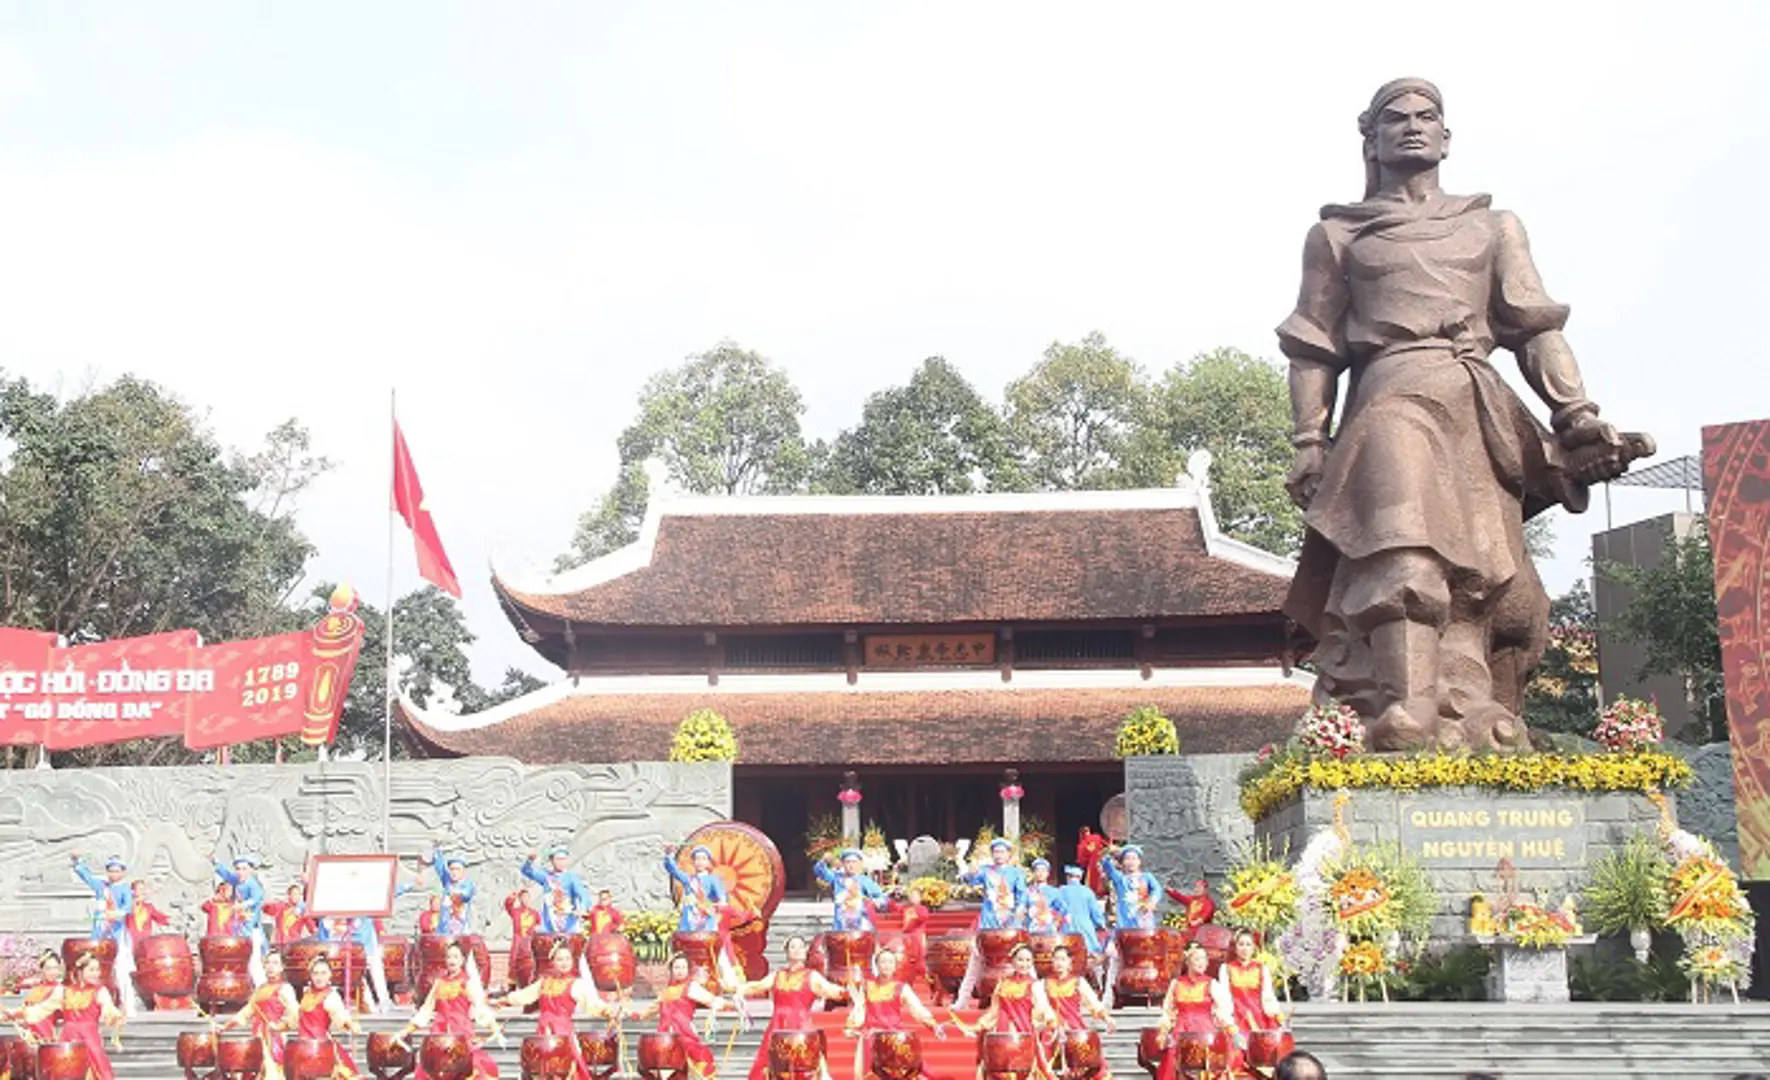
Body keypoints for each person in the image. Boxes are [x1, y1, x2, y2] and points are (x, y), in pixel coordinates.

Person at [1278, 78, 1645, 753]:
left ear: (1446, 136)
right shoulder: (1338, 235)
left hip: (1476, 408)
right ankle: (1405, 707)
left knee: (1483, 580)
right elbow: (1313, 346)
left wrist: (1575, 414)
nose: (1414, 127)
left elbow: (1533, 328)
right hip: (1391, 395)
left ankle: (1470, 706)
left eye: (1428, 117)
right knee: (1402, 544)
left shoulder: (1493, 226)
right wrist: (1310, 440)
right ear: (1372, 139)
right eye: (1396, 119)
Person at [498, 942, 621, 1080]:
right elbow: (523, 996)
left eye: (567, 959)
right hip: (544, 1031)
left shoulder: (576, 984)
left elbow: (592, 1003)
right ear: (553, 962)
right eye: (560, 959)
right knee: (544, 1069)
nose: (564, 963)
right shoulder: (544, 982)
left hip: (563, 1032)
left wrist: (607, 1011)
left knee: (567, 1068)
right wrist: (501, 1001)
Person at [736, 935, 846, 1080]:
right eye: (793, 947)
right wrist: (740, 990)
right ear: (786, 952)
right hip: (777, 1026)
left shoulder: (811, 976)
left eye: (800, 946)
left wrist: (847, 991)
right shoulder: (777, 975)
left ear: (806, 951)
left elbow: (831, 990)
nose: (797, 950)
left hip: (800, 1027)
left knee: (801, 1068)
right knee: (769, 1066)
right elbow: (758, 985)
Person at [400, 940, 502, 1080]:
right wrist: (406, 1030)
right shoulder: (439, 982)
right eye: (448, 957)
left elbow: (480, 1007)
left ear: (462, 960)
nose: (451, 960)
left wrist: (494, 1027)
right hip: (439, 1032)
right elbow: (426, 1010)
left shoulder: (467, 982)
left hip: (461, 1032)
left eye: (455, 957)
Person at [843, 946, 948, 1080]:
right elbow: (860, 1008)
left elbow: (917, 1008)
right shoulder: (867, 986)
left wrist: (933, 1025)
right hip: (871, 1037)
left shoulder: (901, 988)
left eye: (890, 962)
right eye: (883, 962)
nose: (886, 966)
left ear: (895, 966)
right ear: (877, 965)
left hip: (895, 1038)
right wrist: (852, 1026)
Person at [626, 954, 732, 1080]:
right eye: (677, 967)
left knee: (702, 1061)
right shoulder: (665, 992)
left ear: (688, 970)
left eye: (683, 967)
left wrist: (731, 1005)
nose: (680, 970)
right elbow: (647, 1013)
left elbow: (712, 1001)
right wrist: (630, 1014)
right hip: (665, 1040)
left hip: (684, 1036)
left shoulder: (691, 987)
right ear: (671, 970)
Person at [22, 952, 123, 1080]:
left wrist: (114, 1014)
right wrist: (18, 1013)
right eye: (91, 970)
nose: (96, 973)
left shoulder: (100, 991)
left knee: (97, 1070)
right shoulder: (64, 991)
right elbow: (43, 1009)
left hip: (89, 1039)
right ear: (80, 972)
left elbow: (108, 1007)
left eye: (97, 970)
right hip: (67, 1038)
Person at [954, 838, 1028, 1008]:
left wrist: (1020, 908)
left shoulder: (1016, 873)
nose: (999, 855)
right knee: (976, 961)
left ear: (1009, 854)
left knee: (1021, 960)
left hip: (1011, 924)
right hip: (989, 922)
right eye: (996, 852)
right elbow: (969, 879)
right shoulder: (986, 871)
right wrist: (962, 862)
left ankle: (1031, 997)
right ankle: (962, 1000)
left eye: (1002, 852)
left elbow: (1022, 895)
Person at [1155, 943, 1237, 1080]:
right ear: (1188, 962)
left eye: (1204, 959)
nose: (1202, 963)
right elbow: (1168, 1010)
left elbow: (1223, 1009)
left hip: (1205, 1032)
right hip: (1181, 1033)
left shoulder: (1212, 984)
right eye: (1197, 959)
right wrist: (1163, 1030)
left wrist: (1228, 1026)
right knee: (1171, 1060)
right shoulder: (1176, 984)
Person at [70, 853, 139, 1015]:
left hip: (116, 932)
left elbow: (128, 909)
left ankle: (128, 1006)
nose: (113, 874)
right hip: (100, 932)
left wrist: (114, 913)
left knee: (121, 970)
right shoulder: (102, 887)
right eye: (111, 870)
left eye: (117, 871)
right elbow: (87, 877)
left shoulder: (124, 889)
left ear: (122, 872)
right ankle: (95, 1006)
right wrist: (77, 862)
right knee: (95, 967)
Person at [215, 949, 299, 1080]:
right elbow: (246, 1012)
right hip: (257, 1037)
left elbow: (295, 1014)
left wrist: (279, 1026)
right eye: (268, 963)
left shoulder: (285, 989)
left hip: (274, 1038)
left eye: (275, 963)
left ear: (282, 967)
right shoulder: (260, 990)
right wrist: (225, 1027)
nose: (271, 966)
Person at [1101, 845, 1161, 1008]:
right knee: (1114, 958)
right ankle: (1109, 997)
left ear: (1139, 861)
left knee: (1147, 960)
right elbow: (1106, 865)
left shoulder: (1147, 877)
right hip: (1124, 928)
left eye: (1134, 858)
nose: (1131, 862)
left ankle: (1151, 994)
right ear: (1123, 862)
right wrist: (1111, 854)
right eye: (1127, 858)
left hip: (1144, 927)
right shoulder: (1120, 879)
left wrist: (1151, 902)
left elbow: (1157, 890)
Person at [295, 956, 364, 1080]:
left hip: (321, 1047)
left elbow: (340, 1015)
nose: (319, 977)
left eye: (323, 973)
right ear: (310, 975)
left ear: (330, 975)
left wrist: (350, 1024)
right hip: (303, 1047)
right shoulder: (307, 993)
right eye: (315, 973)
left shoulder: (331, 996)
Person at [1218, 929, 1286, 1044]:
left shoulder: (1261, 969)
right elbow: (1224, 998)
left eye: (1248, 945)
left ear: (1253, 948)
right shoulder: (1226, 969)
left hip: (1259, 1016)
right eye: (1241, 945)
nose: (1244, 948)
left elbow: (1267, 996)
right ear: (1235, 948)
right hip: (1236, 1017)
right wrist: (1227, 1020)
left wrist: (1277, 1015)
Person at [316, 916, 393, 1014]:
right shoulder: (326, 919)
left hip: (365, 946)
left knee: (374, 972)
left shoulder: (364, 919)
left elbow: (363, 928)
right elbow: (325, 938)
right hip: (340, 951)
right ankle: (369, 1005)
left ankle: (382, 1003)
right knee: (355, 976)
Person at [212, 852, 268, 984]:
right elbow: (226, 874)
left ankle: (261, 986)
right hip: (239, 926)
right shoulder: (237, 881)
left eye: (244, 869)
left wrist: (243, 905)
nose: (240, 872)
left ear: (250, 870)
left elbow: (257, 898)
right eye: (238, 869)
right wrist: (215, 861)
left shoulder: (253, 884)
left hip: (250, 926)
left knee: (254, 960)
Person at [813, 848, 890, 932]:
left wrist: (877, 902)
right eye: (848, 862)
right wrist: (823, 860)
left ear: (859, 864)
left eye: (854, 862)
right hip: (840, 925)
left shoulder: (865, 880)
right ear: (843, 864)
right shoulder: (836, 878)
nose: (851, 865)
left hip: (860, 926)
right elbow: (819, 871)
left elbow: (882, 898)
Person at [522, 846, 591, 935]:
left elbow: (583, 895)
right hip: (550, 921)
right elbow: (527, 871)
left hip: (568, 922)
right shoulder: (547, 876)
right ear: (551, 860)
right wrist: (529, 861)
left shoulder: (571, 877)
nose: (561, 862)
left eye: (564, 859)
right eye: (558, 859)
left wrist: (582, 909)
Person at [0, 951, 66, 1044]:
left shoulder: (59, 990)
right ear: (42, 969)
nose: (52, 972)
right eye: (48, 968)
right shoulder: (37, 987)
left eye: (55, 968)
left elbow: (40, 1011)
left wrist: (15, 1013)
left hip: (44, 1033)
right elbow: (25, 1006)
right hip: (28, 1032)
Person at [663, 844, 729, 934]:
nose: (700, 862)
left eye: (703, 859)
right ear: (693, 862)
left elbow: (722, 897)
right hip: (689, 923)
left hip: (706, 922)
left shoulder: (713, 879)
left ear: (708, 862)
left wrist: (717, 905)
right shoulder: (688, 879)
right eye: (697, 858)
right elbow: (673, 870)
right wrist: (669, 854)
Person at [1055, 866, 1108, 966]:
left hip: (1067, 927)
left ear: (1067, 877)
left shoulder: (1061, 891)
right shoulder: (1087, 892)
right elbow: (1095, 912)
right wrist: (1101, 924)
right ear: (1080, 878)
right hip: (1085, 927)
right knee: (1089, 955)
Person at [503, 887, 542, 989]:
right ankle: (511, 987)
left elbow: (539, 926)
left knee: (530, 962)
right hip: (518, 940)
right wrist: (511, 898)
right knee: (513, 962)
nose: (526, 900)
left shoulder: (535, 913)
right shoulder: (515, 911)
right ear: (520, 899)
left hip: (529, 941)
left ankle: (529, 984)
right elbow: (508, 905)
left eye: (527, 897)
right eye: (523, 898)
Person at [431, 848, 477, 935]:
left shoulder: (467, 885)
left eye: (457, 869)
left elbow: (465, 895)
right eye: (452, 869)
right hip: (444, 924)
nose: (454, 872)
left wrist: (455, 895)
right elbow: (441, 869)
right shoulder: (448, 882)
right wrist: (437, 853)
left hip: (459, 925)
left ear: (463, 871)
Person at [898, 884, 932, 990]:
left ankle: (932, 984)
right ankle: (907, 986)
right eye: (911, 896)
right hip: (908, 938)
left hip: (917, 937)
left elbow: (923, 918)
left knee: (920, 962)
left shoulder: (922, 909)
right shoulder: (906, 909)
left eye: (915, 896)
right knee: (908, 963)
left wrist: (914, 918)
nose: (913, 898)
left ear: (920, 898)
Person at [263, 883, 314, 948]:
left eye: (299, 894)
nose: (297, 896)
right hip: (280, 943)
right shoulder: (281, 907)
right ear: (289, 895)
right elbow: (265, 908)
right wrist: (276, 901)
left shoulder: (302, 911)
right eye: (294, 894)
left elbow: (312, 928)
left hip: (294, 945)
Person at [1022, 859, 1065, 934]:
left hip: (1049, 931)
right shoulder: (1027, 891)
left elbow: (1063, 909)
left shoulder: (1054, 891)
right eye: (1037, 870)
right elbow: (1022, 909)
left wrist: (1056, 923)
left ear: (1048, 873)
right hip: (1032, 930)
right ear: (1034, 873)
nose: (1040, 873)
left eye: (1043, 870)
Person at [1076, 828, 1109, 898]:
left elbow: (1081, 859)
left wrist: (1083, 864)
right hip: (1099, 861)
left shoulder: (1083, 843)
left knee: (1093, 881)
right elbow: (1106, 844)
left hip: (1092, 864)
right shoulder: (1096, 837)